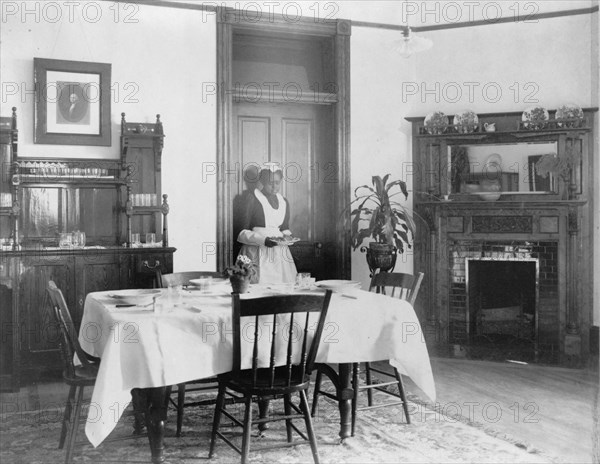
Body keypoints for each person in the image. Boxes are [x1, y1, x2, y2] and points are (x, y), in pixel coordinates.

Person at [236, 166, 298, 284]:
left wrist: (288, 237)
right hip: (255, 250)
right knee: (257, 285)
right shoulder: (252, 199)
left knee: (282, 287)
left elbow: (284, 228)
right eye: (270, 183)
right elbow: (241, 233)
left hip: (279, 253)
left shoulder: (284, 201)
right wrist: (264, 240)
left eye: (277, 183)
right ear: (262, 182)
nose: (274, 186)